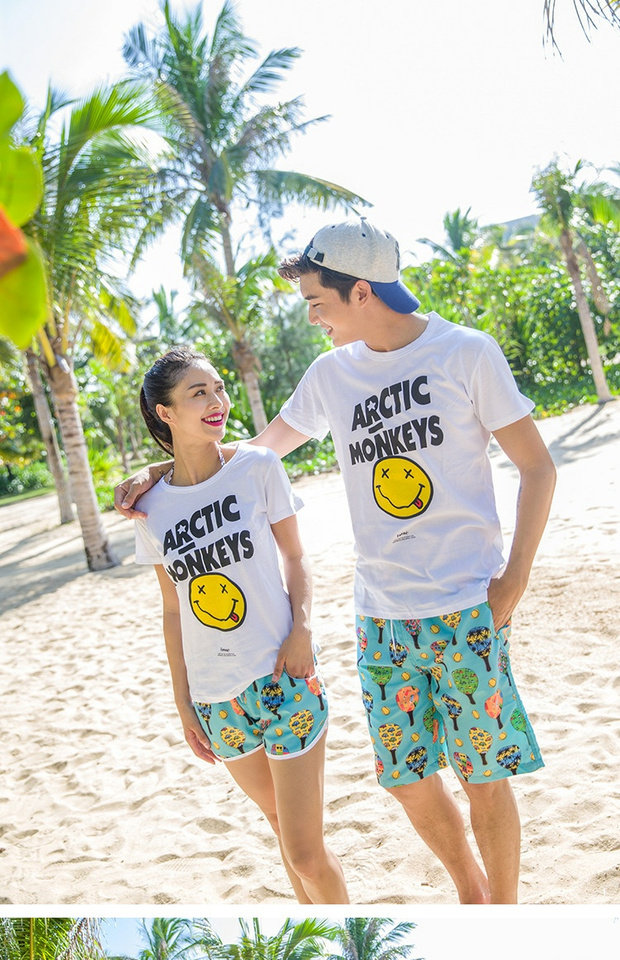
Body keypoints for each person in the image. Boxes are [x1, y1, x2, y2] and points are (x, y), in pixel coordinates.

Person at [116, 219, 556, 904]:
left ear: (361, 292)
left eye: (317, 301)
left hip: (468, 603)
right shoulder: (331, 374)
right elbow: (253, 452)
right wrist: (159, 470)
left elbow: (538, 467)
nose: (311, 317)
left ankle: (501, 919)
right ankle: (471, 892)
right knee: (406, 779)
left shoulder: (466, 352)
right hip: (380, 615)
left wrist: (513, 582)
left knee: (482, 775)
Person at [132, 346, 348, 904]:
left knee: (305, 852)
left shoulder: (257, 467)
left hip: (283, 675)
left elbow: (295, 558)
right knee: (280, 831)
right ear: (165, 413)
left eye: (219, 388)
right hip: (216, 700)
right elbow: (173, 609)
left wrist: (302, 630)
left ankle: (351, 940)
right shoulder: (150, 507)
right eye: (198, 393)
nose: (217, 401)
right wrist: (184, 703)